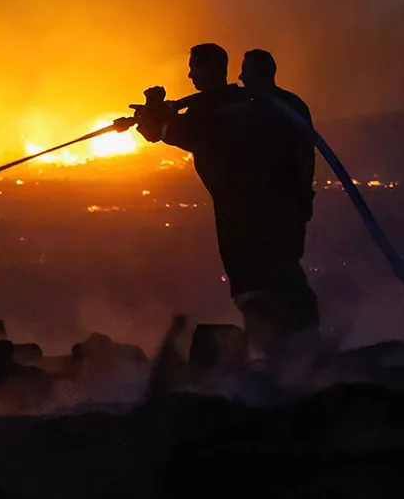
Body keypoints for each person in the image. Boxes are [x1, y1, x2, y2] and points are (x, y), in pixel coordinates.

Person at [134, 44, 319, 357]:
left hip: (243, 215)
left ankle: (276, 354)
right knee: (284, 275)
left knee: (252, 283)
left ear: (209, 70)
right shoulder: (263, 106)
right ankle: (302, 346)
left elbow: (176, 131)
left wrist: (153, 114)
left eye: (194, 68)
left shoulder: (222, 112)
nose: (190, 75)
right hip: (285, 210)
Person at [239, 49, 316, 223]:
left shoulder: (288, 108)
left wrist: (304, 196)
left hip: (281, 205)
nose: (240, 77)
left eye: (245, 71)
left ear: (259, 75)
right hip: (261, 205)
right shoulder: (292, 104)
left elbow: (304, 156)